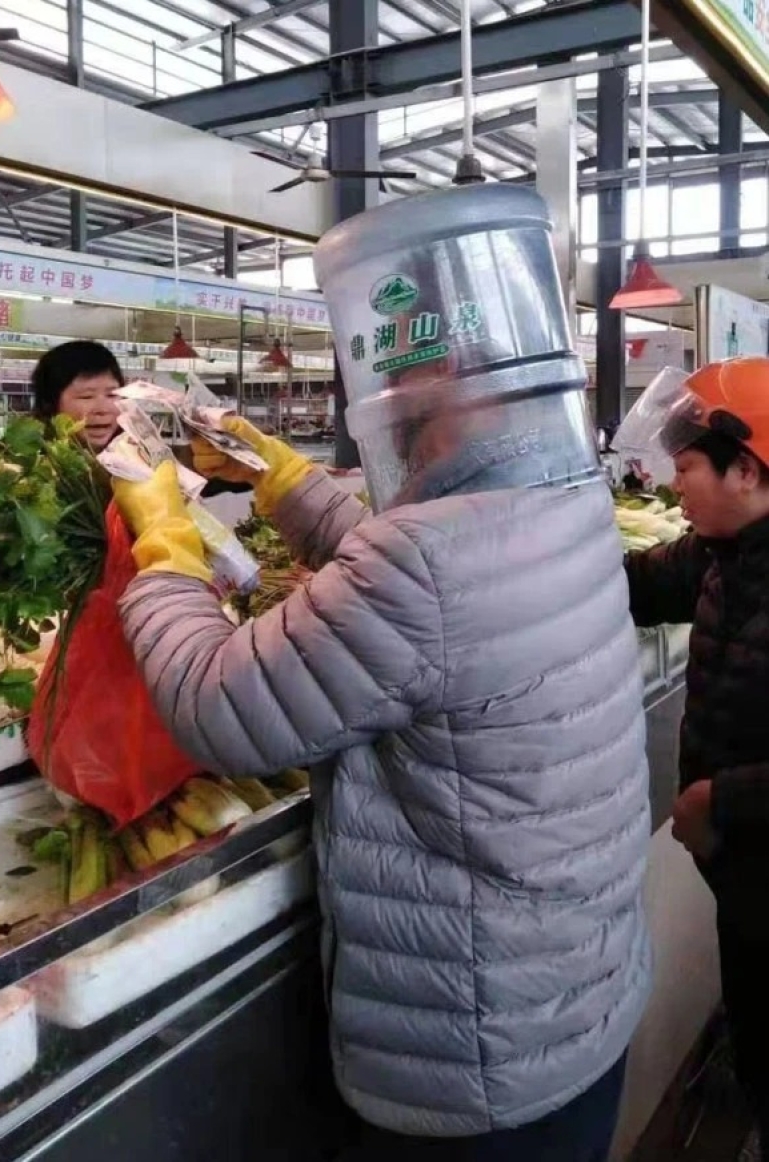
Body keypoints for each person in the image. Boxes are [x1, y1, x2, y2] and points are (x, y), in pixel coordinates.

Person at [109, 393, 651, 1160]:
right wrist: (283, 480)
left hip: (473, 1053)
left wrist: (166, 547)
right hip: (570, 1000)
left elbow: (215, 705)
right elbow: (423, 589)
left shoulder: (431, 561)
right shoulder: (561, 500)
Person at [621, 357, 769, 1158]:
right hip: (743, 881)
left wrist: (717, 801)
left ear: (742, 469)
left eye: (683, 469)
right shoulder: (719, 554)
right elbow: (621, 587)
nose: (673, 487)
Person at [31, 339, 123, 451]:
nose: (103, 409)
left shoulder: (140, 458)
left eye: (111, 395)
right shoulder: (20, 460)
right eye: (87, 396)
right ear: (50, 403)